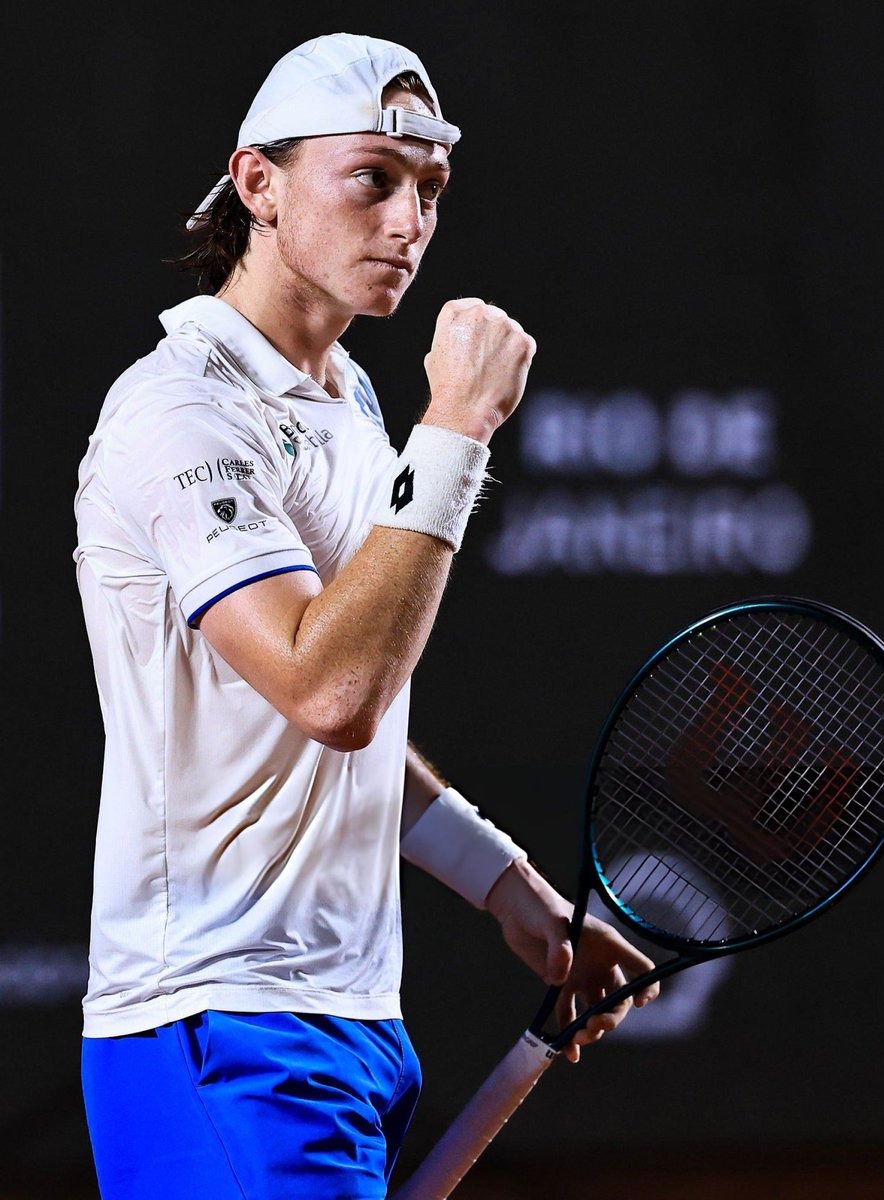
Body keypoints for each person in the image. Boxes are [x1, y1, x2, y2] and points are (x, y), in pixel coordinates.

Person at [74, 32, 660, 1199]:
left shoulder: (348, 406)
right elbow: (331, 693)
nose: (410, 223)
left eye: (430, 191)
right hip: (216, 1025)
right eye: (373, 181)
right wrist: (457, 433)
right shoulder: (176, 412)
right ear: (258, 186)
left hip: (348, 1024)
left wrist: (512, 890)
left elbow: (335, 729)